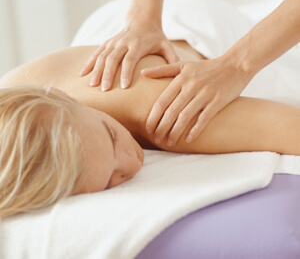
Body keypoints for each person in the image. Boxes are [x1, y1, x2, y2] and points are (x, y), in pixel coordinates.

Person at [0, 33, 300, 218]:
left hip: (192, 29)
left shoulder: (169, 111)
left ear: (69, 97)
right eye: (111, 179)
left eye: (113, 136)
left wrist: (237, 65)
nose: (132, 164)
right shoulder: (12, 104)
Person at [79, 0, 300, 147]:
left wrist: (237, 65)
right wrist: (142, 17)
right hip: (143, 17)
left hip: (197, 23)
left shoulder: (146, 100)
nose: (131, 165)